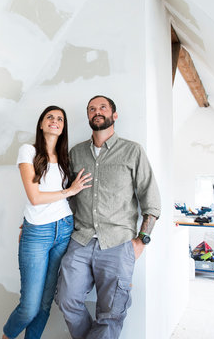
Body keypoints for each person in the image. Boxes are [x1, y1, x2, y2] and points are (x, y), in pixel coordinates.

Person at [55, 95, 161, 339]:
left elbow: (152, 201)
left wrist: (141, 239)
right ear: (88, 116)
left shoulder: (133, 151)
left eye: (103, 107)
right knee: (66, 299)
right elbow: (65, 196)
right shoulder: (76, 153)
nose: (97, 111)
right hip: (79, 240)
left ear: (114, 115)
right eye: (92, 108)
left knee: (111, 313)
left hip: (118, 243)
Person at [2, 105, 93, 339]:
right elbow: (35, 197)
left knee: (44, 305)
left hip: (64, 230)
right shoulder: (28, 151)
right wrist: (70, 191)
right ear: (41, 124)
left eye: (60, 119)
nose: (55, 121)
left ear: (63, 128)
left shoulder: (65, 157)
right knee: (29, 307)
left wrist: (71, 193)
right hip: (38, 233)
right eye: (50, 117)